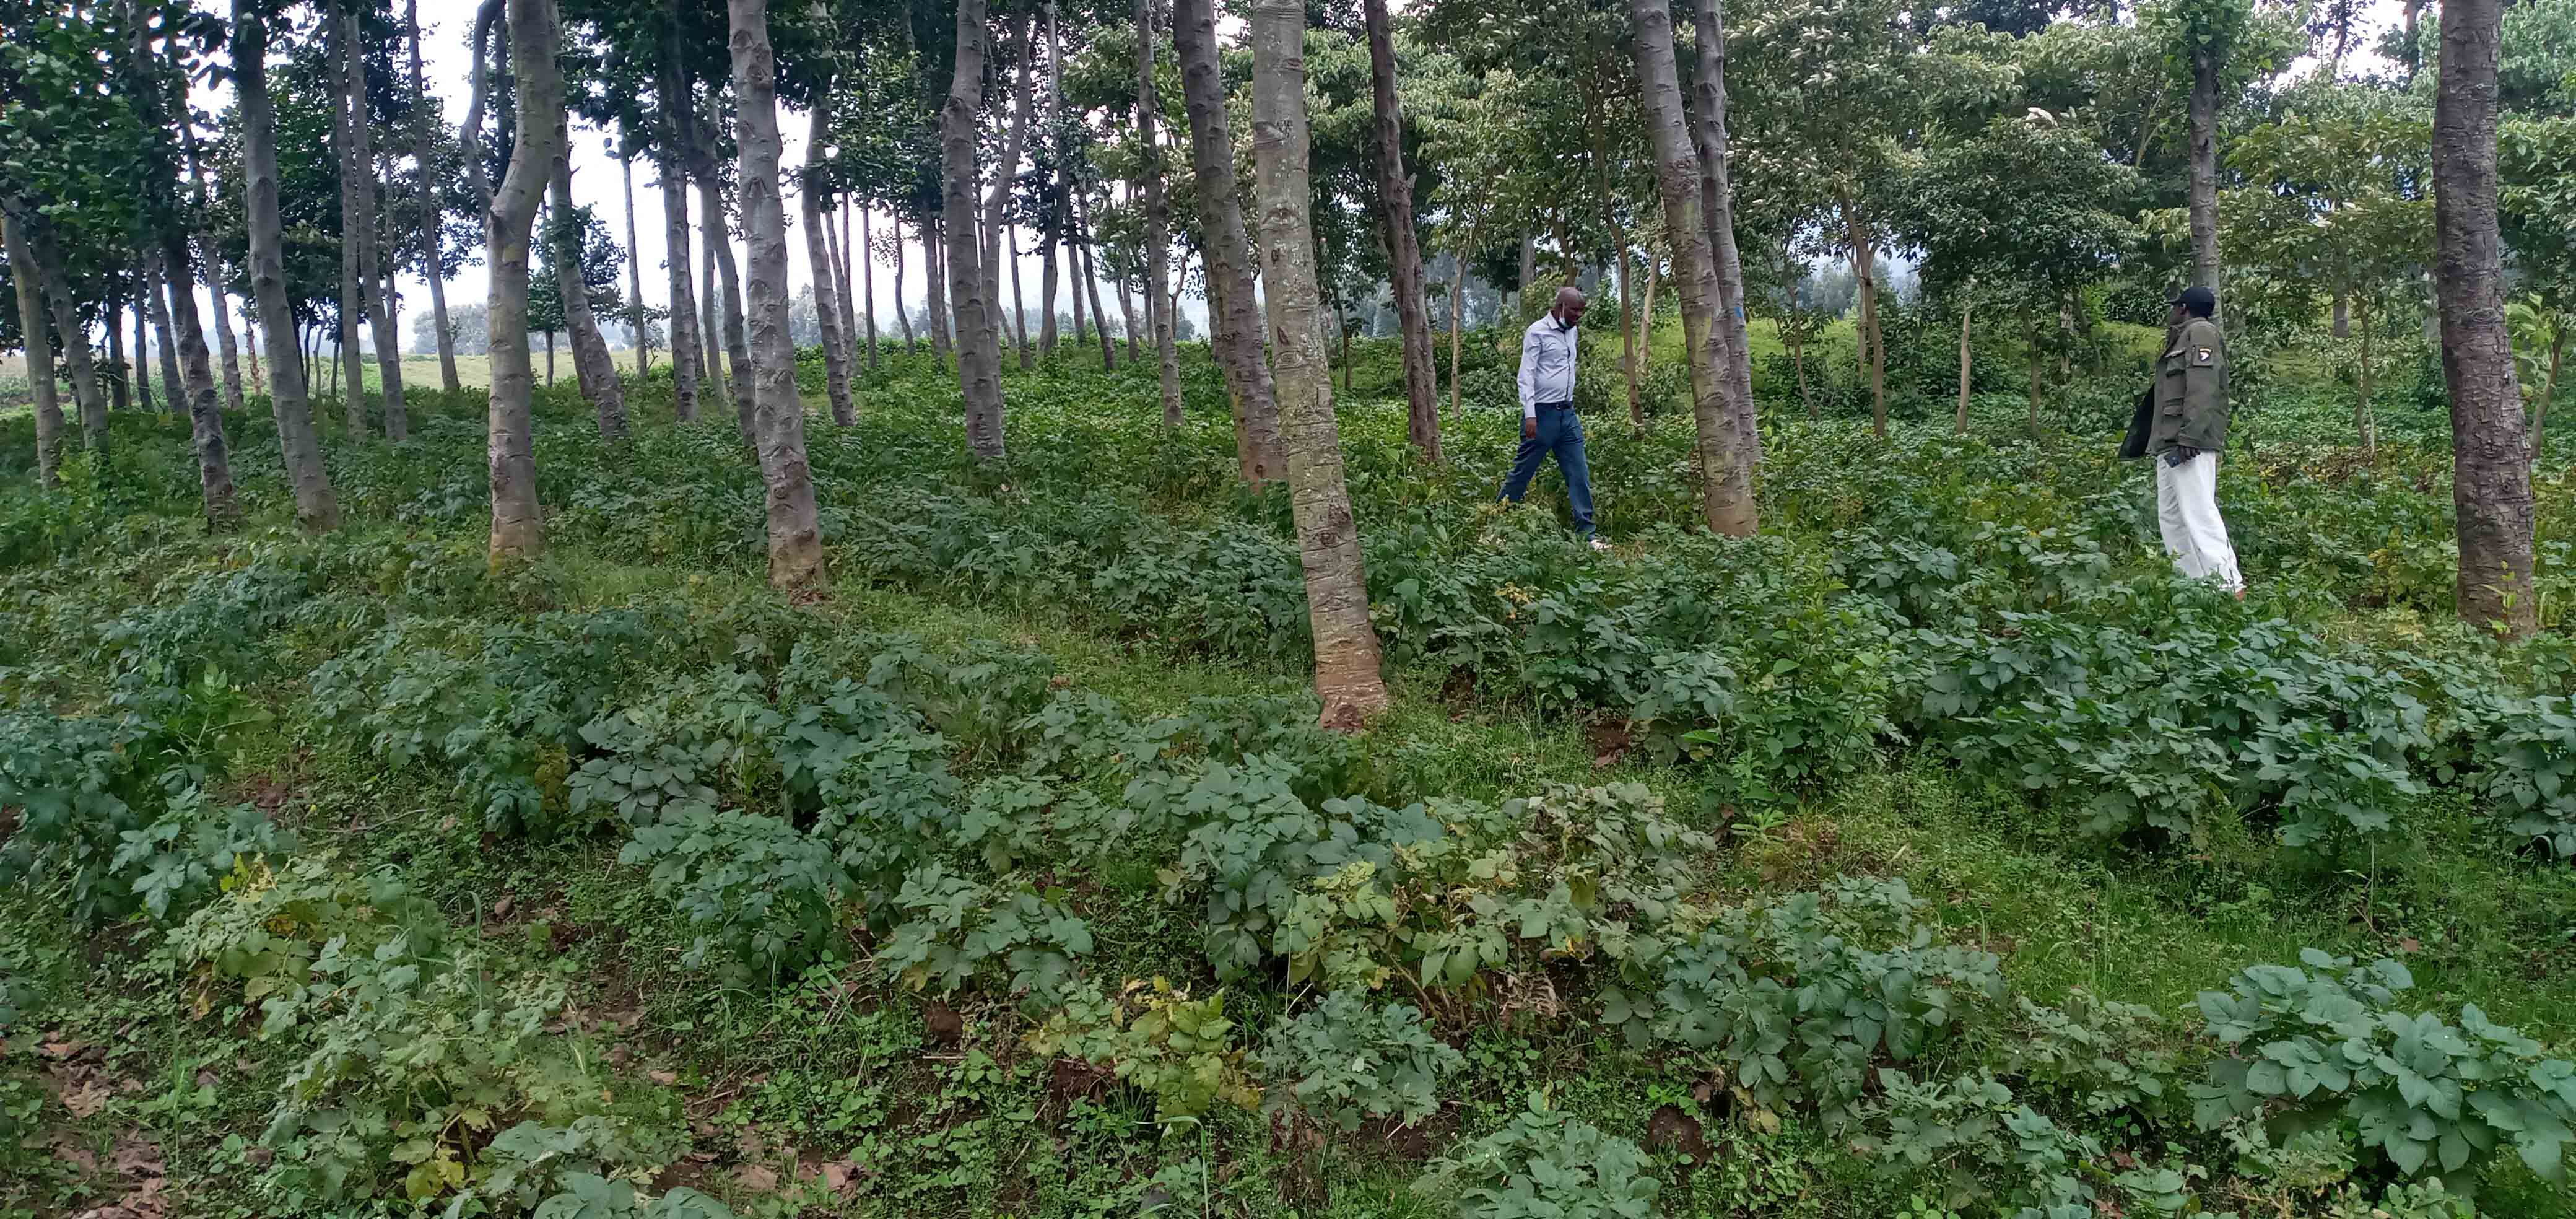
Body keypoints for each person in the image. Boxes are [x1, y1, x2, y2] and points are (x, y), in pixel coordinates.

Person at [2120, 284, 2243, 597]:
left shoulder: (2201, 332)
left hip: (2189, 441)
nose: (2172, 312)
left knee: (2199, 512)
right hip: (2170, 441)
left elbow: (2203, 388)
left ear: (2184, 309)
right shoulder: (2183, 336)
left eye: (2176, 307)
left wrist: (2190, 435)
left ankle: (2229, 586)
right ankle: (2194, 586)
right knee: (2172, 516)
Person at [1500, 287, 1609, 551]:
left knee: (1579, 473)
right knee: (1522, 473)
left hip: (1567, 415)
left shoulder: (1572, 331)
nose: (1579, 316)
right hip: (1542, 415)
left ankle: (1588, 534)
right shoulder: (1537, 332)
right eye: (1575, 310)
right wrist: (1530, 415)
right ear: (1560, 306)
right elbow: (1526, 375)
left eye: (1582, 311)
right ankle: (1497, 527)